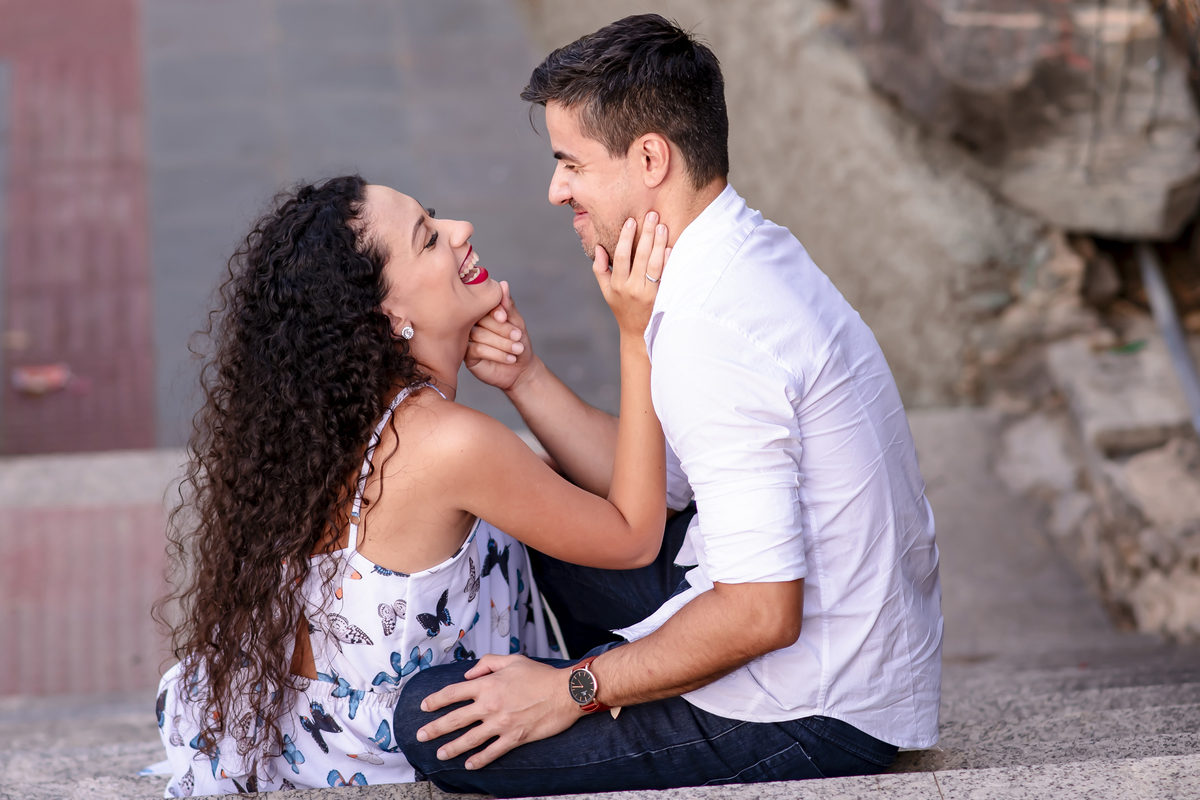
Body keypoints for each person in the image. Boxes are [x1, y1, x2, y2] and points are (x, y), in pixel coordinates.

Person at [394, 14, 943, 796]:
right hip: (826, 635)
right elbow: (661, 488)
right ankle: (617, 694)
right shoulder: (737, 251)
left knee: (432, 722)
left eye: (570, 164)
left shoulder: (713, 327)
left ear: (650, 156)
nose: (556, 191)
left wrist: (571, 689)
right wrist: (527, 378)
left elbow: (760, 616)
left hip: (811, 704)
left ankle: (613, 705)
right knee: (543, 496)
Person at [152, 174, 671, 795]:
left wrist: (526, 375)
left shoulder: (343, 418)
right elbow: (637, 537)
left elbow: (627, 490)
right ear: (389, 315)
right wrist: (636, 337)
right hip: (386, 762)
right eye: (428, 239)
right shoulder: (446, 443)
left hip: (318, 734)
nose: (461, 232)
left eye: (434, 217)